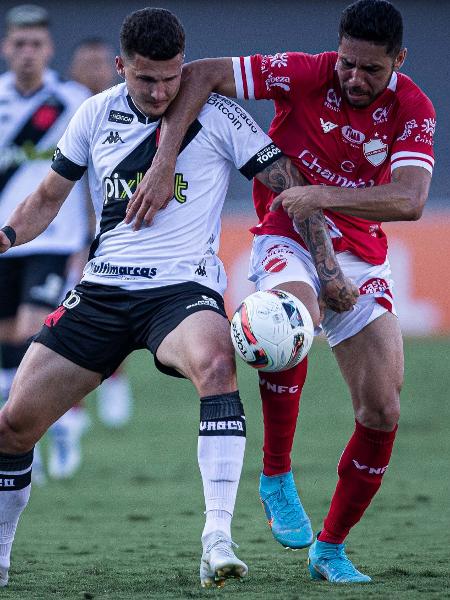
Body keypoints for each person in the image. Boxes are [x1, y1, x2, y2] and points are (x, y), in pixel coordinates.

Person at [0, 7, 355, 589]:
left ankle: (217, 537)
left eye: (171, 77)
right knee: (13, 425)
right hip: (104, 288)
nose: (161, 90)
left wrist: (326, 264)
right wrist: (7, 237)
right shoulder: (93, 114)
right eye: (146, 79)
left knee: (219, 366)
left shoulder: (216, 115)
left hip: (182, 289)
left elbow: (285, 179)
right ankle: (2, 554)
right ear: (122, 68)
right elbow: (46, 197)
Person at [125, 0, 436, 584]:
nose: (353, 78)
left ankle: (331, 548)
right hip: (285, 235)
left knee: (383, 408)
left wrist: (318, 195)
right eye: (347, 63)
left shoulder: (413, 107)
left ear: (400, 60)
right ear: (335, 51)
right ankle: (275, 473)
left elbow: (410, 199)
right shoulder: (304, 71)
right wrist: (164, 161)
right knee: (283, 319)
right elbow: (203, 74)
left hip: (360, 252)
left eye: (371, 69)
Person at [0, 4, 91, 482]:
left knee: (30, 331)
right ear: (6, 48)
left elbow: (95, 170)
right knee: (6, 341)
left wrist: (95, 236)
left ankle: (38, 429)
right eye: (19, 44)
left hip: (54, 238)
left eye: (36, 44)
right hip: (3, 239)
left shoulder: (74, 100)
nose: (28, 53)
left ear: (49, 49)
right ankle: (41, 427)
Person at [69, 37, 134, 428]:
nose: (92, 71)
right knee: (64, 313)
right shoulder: (68, 112)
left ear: (113, 67)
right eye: (85, 63)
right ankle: (73, 404)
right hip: (62, 232)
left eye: (99, 63)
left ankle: (115, 380)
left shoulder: (127, 112)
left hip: (108, 229)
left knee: (112, 309)